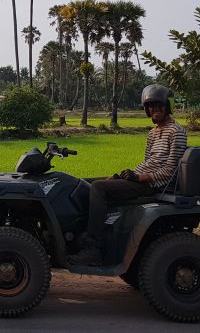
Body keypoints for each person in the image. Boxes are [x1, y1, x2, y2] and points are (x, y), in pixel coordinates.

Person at [68, 84, 188, 266]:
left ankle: (93, 249)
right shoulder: (153, 133)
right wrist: (126, 175)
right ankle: (78, 234)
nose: (154, 110)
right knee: (85, 182)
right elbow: (148, 162)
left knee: (99, 188)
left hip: (154, 185)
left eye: (158, 106)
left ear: (167, 106)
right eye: (150, 106)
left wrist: (139, 178)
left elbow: (170, 170)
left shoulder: (177, 132)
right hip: (141, 179)